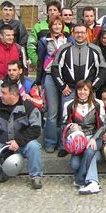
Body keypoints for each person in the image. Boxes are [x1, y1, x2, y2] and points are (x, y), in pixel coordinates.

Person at [51, 23, 106, 156]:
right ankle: (64, 145)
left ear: (87, 33)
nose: (80, 35)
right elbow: (55, 68)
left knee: (90, 118)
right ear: (72, 33)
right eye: (77, 32)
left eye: (82, 32)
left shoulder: (95, 49)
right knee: (66, 118)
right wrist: (62, 86)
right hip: (69, 90)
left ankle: (89, 141)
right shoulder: (64, 48)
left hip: (88, 90)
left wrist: (93, 87)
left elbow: (103, 69)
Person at [0, 81, 43, 189]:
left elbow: (36, 129)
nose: (0, 95)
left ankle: (36, 176)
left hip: (22, 143)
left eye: (4, 93)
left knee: (34, 147)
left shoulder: (29, 107)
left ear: (14, 95)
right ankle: (6, 170)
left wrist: (18, 141)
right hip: (1, 142)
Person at [62, 80, 106, 195]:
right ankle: (89, 165)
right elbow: (64, 126)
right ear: (76, 90)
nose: (82, 92)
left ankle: (90, 182)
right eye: (80, 89)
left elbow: (103, 125)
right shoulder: (69, 105)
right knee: (74, 164)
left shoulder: (98, 104)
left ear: (90, 91)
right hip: (78, 140)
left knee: (89, 151)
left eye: (85, 89)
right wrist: (71, 127)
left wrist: (93, 138)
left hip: (94, 137)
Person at [36, 16, 73, 153]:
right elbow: (40, 61)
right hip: (50, 77)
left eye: (59, 24)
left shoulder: (69, 40)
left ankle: (63, 143)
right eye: (54, 24)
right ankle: (50, 141)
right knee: (52, 112)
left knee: (64, 112)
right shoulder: (44, 41)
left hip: (65, 79)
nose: (57, 27)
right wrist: (39, 81)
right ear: (50, 26)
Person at [27, 0, 70, 67]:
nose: (52, 12)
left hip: (62, 65)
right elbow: (30, 45)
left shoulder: (65, 28)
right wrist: (36, 61)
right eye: (50, 10)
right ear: (47, 12)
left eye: (55, 10)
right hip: (44, 65)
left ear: (59, 12)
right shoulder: (38, 26)